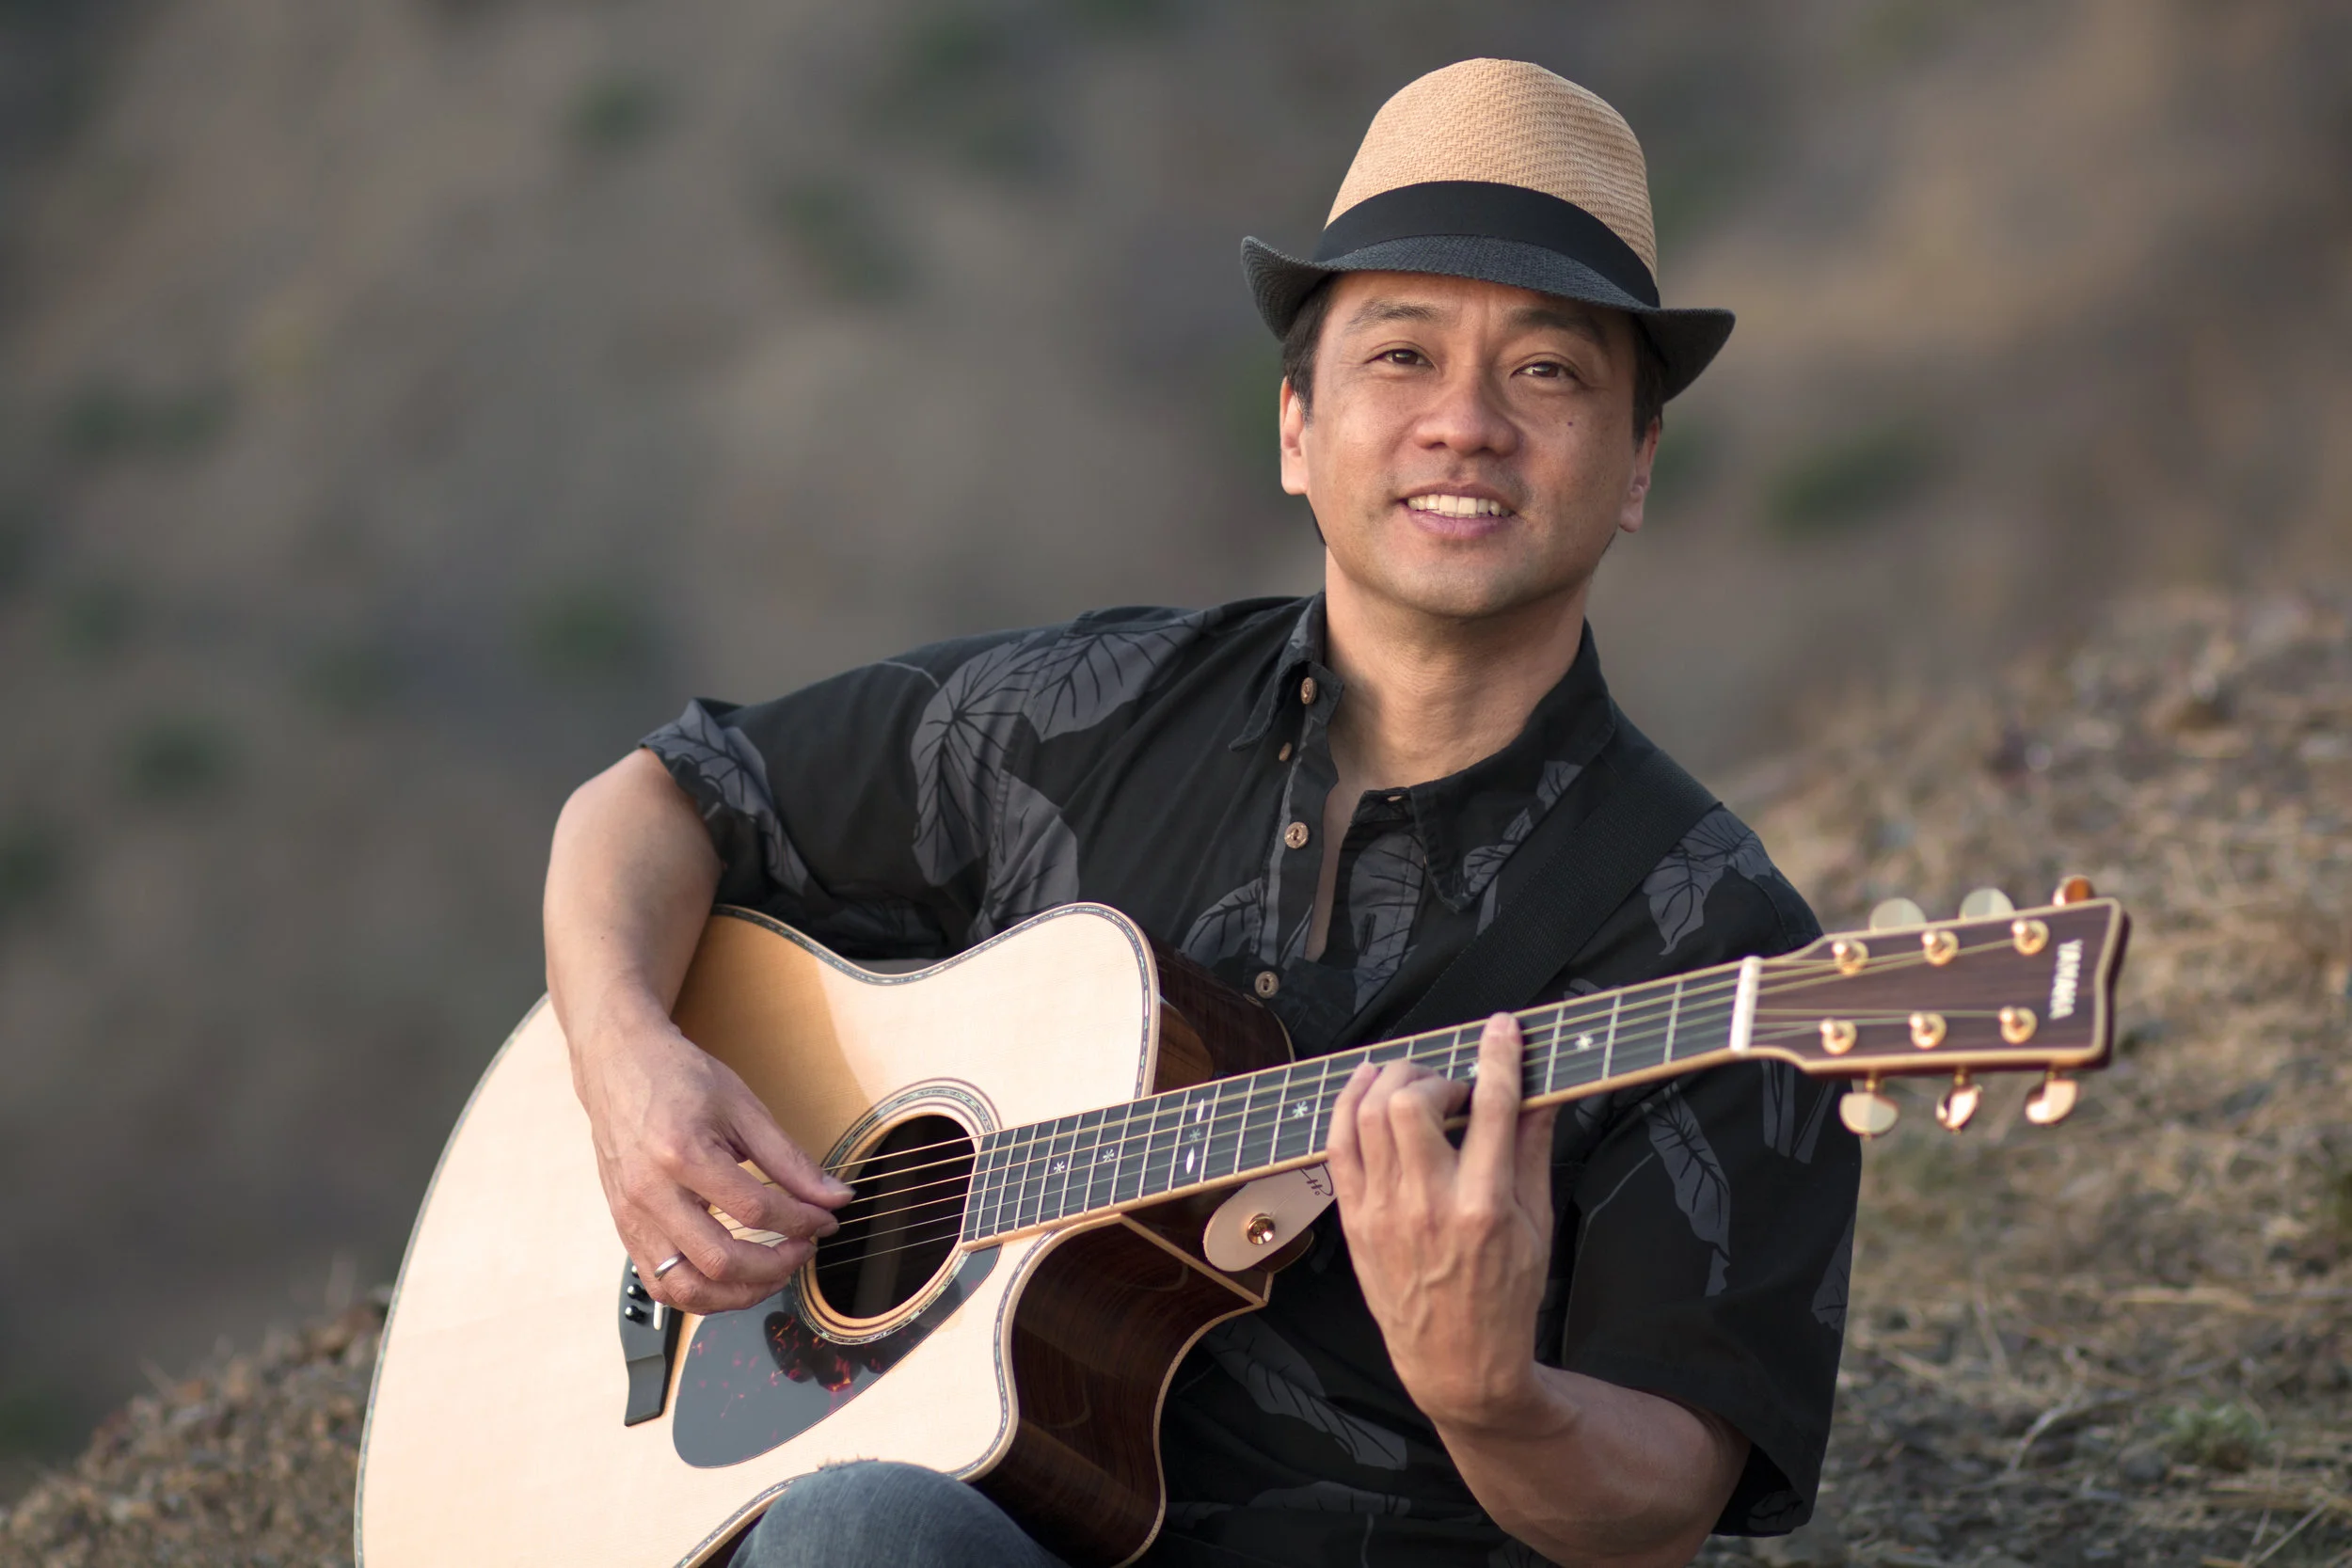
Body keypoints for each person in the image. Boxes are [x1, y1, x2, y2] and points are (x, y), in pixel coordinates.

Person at [543, 58, 1859, 1568]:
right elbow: (658, 797)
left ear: (1635, 465)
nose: (1465, 423)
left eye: (1548, 373)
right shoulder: (1082, 713)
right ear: (1297, 426)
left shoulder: (1718, 947)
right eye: (1402, 355)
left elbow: (1663, 1496)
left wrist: (1493, 1397)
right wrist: (627, 1062)